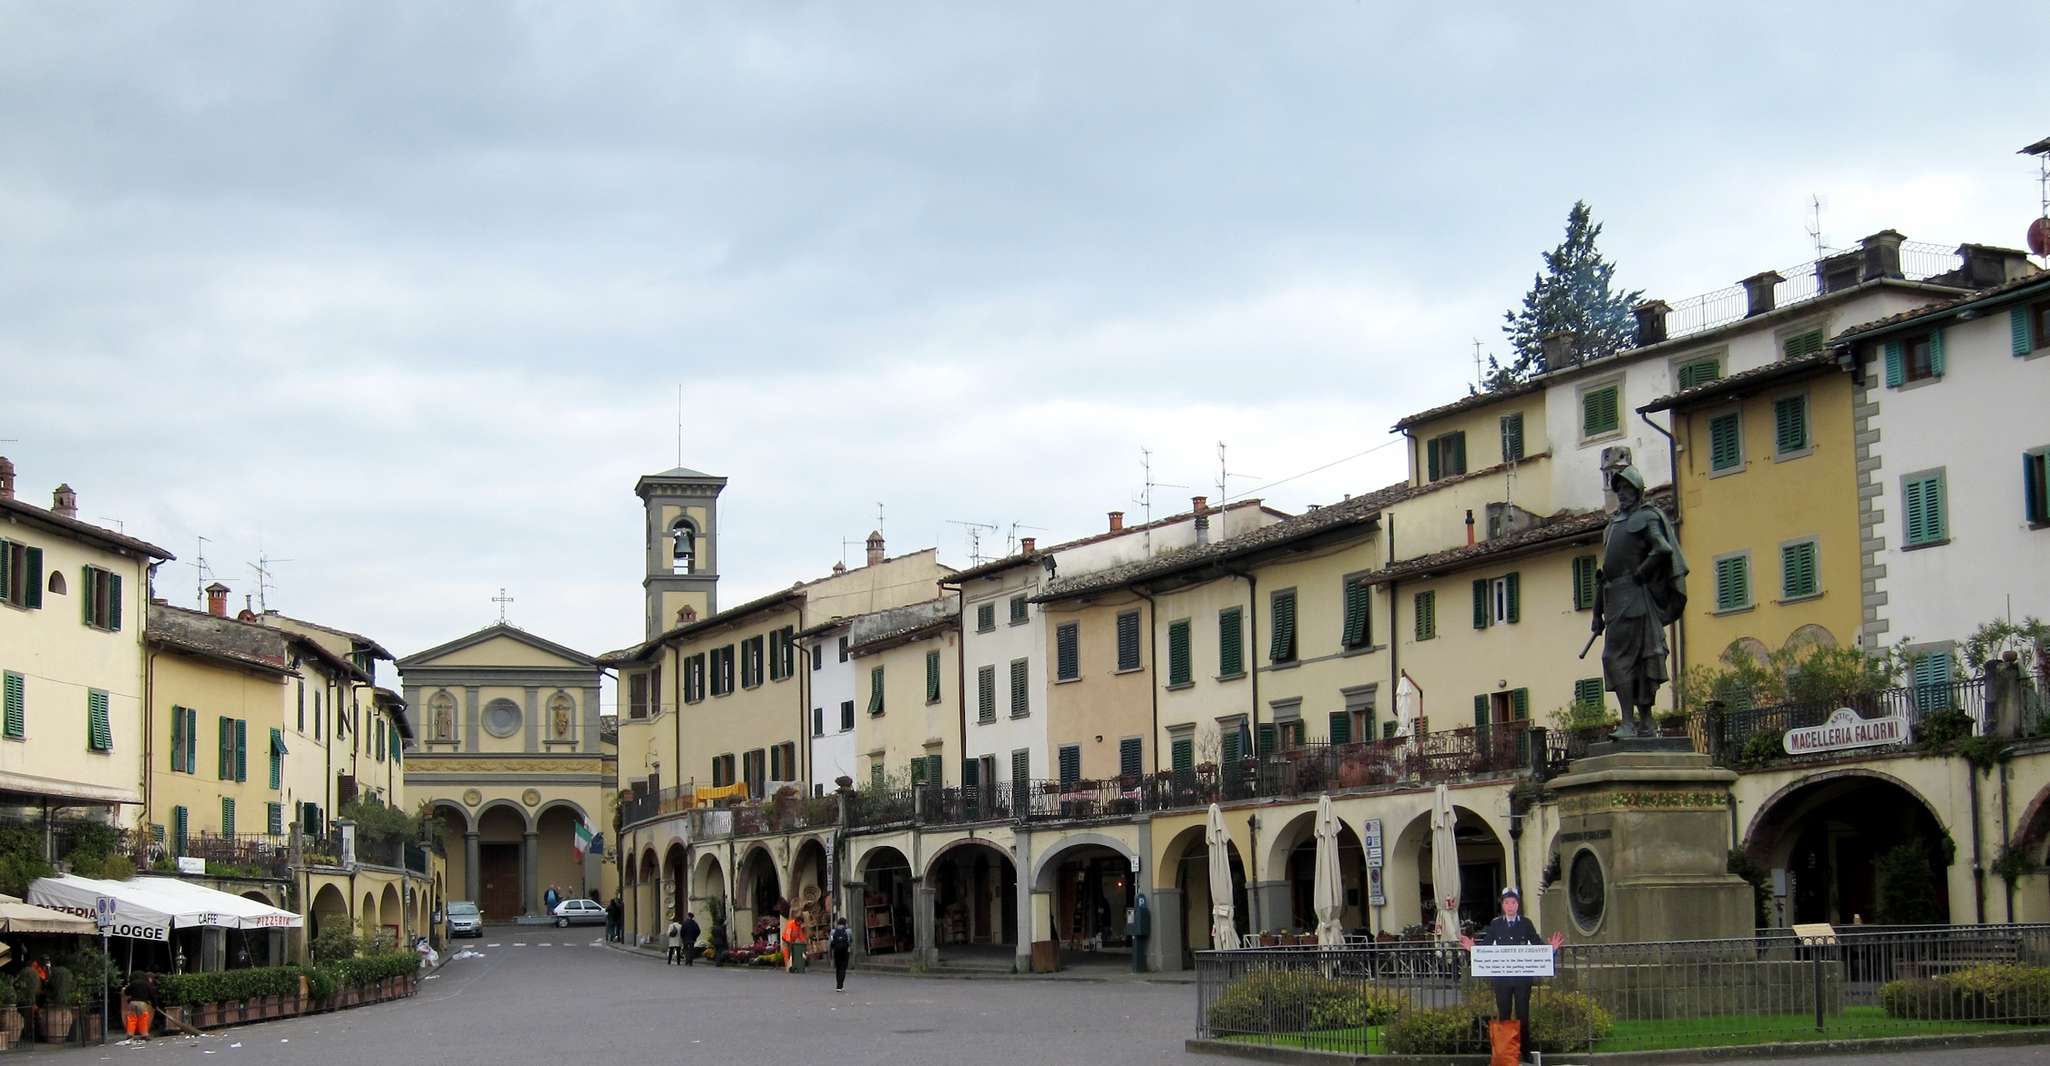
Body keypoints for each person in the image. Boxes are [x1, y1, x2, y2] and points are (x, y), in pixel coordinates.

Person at [1591, 464, 1688, 738]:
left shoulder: (1647, 517)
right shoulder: (1612, 526)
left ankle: (1629, 723)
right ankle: (1644, 723)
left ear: (1638, 491)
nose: (1622, 493)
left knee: (1617, 658)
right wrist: (1596, 614)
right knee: (1636, 662)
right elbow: (1604, 574)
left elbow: (1662, 548)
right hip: (1614, 599)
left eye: (1627, 488)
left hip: (1634, 600)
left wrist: (1641, 573)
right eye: (1619, 488)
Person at [1459, 887, 1563, 1064]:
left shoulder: (1526, 924)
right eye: (1506, 902)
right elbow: (1485, 946)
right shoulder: (1496, 924)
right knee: (1504, 1015)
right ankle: (1506, 1053)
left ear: (1518, 904)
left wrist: (1550, 950)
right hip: (1502, 980)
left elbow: (1537, 945)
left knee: (1523, 1015)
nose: (1510, 906)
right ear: (1502, 905)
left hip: (1522, 979)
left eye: (1513, 902)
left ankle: (1525, 1050)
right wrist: (1473, 949)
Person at [124, 970, 157, 1041]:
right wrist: (155, 1005)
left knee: (132, 1019)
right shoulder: (147, 984)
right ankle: (144, 1035)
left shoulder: (133, 983)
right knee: (143, 1019)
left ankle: (130, 1035)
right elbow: (152, 995)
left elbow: (126, 992)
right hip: (142, 1004)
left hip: (132, 1003)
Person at [828, 916, 853, 992]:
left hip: (836, 951)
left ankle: (838, 985)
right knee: (843, 968)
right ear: (845, 923)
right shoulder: (848, 931)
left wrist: (830, 953)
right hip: (845, 951)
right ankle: (840, 985)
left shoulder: (833, 931)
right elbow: (851, 940)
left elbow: (830, 942)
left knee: (838, 968)